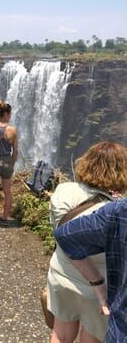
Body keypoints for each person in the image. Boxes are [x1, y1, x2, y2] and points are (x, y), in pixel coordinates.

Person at [46, 141, 127, 343]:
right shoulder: (113, 211)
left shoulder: (64, 190)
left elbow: (60, 233)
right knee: (91, 338)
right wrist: (98, 284)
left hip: (60, 273)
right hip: (98, 287)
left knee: (60, 332)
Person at [55, 199, 127, 343]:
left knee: (61, 332)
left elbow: (65, 235)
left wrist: (98, 283)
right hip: (90, 291)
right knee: (91, 333)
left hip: (62, 273)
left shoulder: (120, 211)